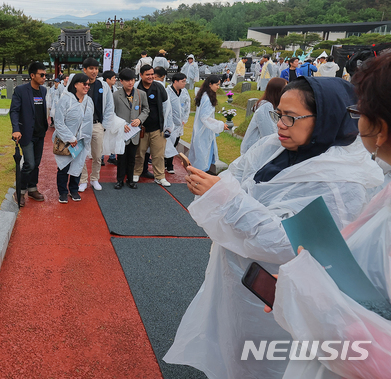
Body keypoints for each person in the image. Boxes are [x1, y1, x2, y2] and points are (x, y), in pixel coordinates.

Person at [164, 76, 384, 378]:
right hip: (242, 274)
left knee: (267, 362)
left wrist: (224, 198)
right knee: (233, 344)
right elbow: (238, 174)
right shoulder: (274, 147)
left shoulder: (343, 183)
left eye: (291, 117)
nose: (281, 124)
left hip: (278, 294)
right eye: (278, 114)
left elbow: (289, 241)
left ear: (325, 120)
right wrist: (214, 188)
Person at [267, 51, 391, 379]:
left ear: (380, 128)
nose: (282, 125)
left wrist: (313, 291)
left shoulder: (347, 181)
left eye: (360, 112)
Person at [10, 62, 49, 207]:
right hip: (26, 133)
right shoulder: (20, 90)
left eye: (46, 75)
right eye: (42, 75)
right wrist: (16, 128)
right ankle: (19, 192)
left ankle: (32, 189)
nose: (45, 77)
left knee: (36, 164)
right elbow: (14, 111)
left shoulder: (43, 91)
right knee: (29, 163)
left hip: (40, 132)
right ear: (32, 75)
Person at [53, 73, 94, 203]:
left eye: (88, 84)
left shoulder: (89, 101)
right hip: (66, 140)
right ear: (75, 84)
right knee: (63, 167)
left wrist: (84, 139)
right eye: (84, 84)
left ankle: (74, 190)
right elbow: (59, 121)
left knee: (78, 165)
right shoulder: (66, 100)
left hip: (81, 140)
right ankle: (63, 192)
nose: (87, 86)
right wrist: (70, 138)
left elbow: (89, 122)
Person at [78, 58, 115, 192]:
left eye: (96, 69)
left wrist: (104, 125)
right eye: (91, 69)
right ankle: (82, 180)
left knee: (97, 155)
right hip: (81, 126)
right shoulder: (78, 84)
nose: (94, 71)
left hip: (97, 125)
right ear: (85, 69)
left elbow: (109, 106)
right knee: (80, 154)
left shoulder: (103, 85)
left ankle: (94, 179)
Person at [110, 68, 149, 189]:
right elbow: (111, 113)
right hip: (122, 131)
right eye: (127, 80)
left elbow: (146, 109)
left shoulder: (140, 94)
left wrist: (140, 119)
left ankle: (131, 180)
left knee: (133, 157)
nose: (130, 83)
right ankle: (120, 180)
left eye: (132, 80)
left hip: (134, 132)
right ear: (121, 81)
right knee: (121, 157)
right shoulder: (116, 95)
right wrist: (121, 124)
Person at [134, 65, 171, 187]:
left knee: (158, 154)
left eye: (152, 74)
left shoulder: (159, 87)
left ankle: (159, 176)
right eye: (147, 74)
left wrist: (167, 126)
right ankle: (136, 173)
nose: (150, 77)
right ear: (141, 75)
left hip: (157, 128)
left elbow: (166, 107)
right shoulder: (136, 88)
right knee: (139, 153)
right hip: (141, 128)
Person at [188, 75, 228, 172]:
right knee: (202, 159)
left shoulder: (204, 95)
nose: (218, 87)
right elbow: (204, 117)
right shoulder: (207, 98)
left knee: (202, 157)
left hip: (203, 131)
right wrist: (220, 125)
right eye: (217, 85)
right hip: (203, 132)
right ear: (210, 84)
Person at [240, 77, 287, 154]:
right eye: (285, 89)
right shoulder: (266, 107)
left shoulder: (272, 106)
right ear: (277, 91)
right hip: (256, 152)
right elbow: (269, 134)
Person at [164, 73, 190, 174]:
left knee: (174, 144)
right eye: (182, 81)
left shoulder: (184, 92)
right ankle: (168, 164)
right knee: (167, 144)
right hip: (169, 124)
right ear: (175, 81)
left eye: (185, 81)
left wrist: (185, 119)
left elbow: (187, 106)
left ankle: (168, 163)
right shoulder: (167, 92)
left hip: (179, 124)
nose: (184, 83)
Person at [102, 70, 118, 165]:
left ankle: (112, 157)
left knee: (113, 137)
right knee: (103, 139)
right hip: (103, 117)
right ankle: (101, 157)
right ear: (107, 79)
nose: (115, 80)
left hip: (113, 116)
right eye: (113, 78)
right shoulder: (102, 89)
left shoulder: (115, 89)